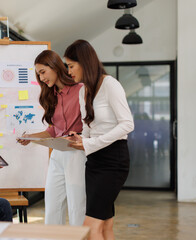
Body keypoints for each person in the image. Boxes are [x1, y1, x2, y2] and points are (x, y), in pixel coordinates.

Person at [64, 40, 134, 240]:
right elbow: (88, 126)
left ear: (84, 62)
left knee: (90, 227)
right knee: (104, 225)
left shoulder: (110, 84)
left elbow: (127, 124)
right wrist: (81, 139)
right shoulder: (82, 90)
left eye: (71, 66)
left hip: (114, 161)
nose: (69, 72)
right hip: (94, 161)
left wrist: (90, 143)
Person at [17, 50, 86, 225]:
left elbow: (91, 124)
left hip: (76, 152)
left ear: (55, 67)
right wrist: (30, 137)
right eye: (38, 74)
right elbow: (54, 130)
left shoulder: (81, 90)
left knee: (77, 205)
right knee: (53, 205)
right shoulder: (51, 95)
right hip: (57, 153)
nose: (41, 78)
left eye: (43, 72)